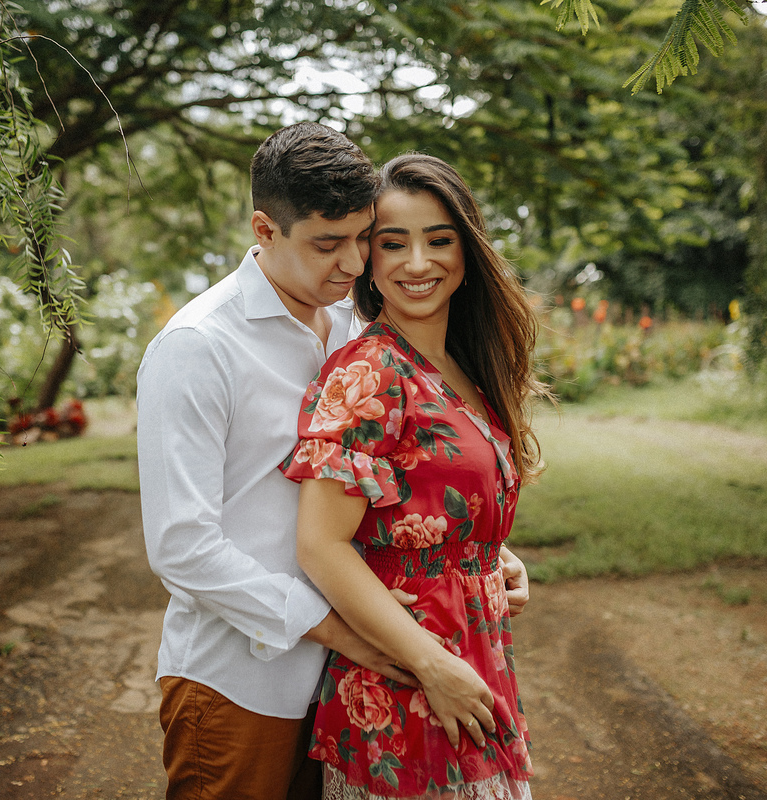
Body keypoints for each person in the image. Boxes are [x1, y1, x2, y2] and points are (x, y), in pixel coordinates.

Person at [138, 125, 531, 800]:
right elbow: (182, 546)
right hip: (243, 680)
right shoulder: (198, 346)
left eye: (361, 239)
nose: (352, 265)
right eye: (327, 244)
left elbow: (394, 481)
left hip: (348, 683)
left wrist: (480, 552)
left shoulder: (354, 324)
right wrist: (341, 629)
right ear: (265, 229)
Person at [281, 153, 554, 799]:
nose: (418, 262)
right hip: (406, 678)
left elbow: (424, 500)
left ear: (468, 249)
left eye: (440, 240)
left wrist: (491, 554)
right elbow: (321, 544)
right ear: (367, 259)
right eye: (393, 243)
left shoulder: (464, 365)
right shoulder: (369, 370)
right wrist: (432, 666)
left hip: (473, 662)